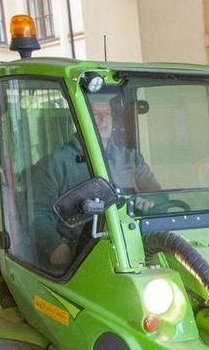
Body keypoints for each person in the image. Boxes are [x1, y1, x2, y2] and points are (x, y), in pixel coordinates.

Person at [29, 93, 162, 269]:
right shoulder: (56, 163)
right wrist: (56, 245)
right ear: (80, 119)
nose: (102, 119)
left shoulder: (131, 158)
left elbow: (160, 197)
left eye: (107, 113)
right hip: (80, 252)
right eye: (94, 113)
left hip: (133, 245)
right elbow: (38, 214)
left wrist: (148, 202)